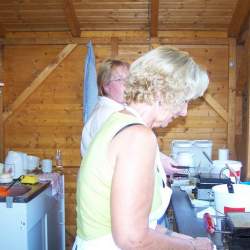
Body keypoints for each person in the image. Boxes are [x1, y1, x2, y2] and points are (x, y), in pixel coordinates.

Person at [74, 46, 212, 250]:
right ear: (160, 92)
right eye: (184, 100)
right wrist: (192, 248)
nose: (184, 111)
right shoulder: (137, 137)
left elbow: (144, 226)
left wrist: (190, 241)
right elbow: (132, 239)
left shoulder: (120, 121)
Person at [80, 59, 181, 176]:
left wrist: (162, 160)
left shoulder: (119, 110)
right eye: (120, 79)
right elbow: (128, 154)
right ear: (106, 86)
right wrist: (160, 164)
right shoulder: (106, 114)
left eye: (129, 79)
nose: (127, 84)